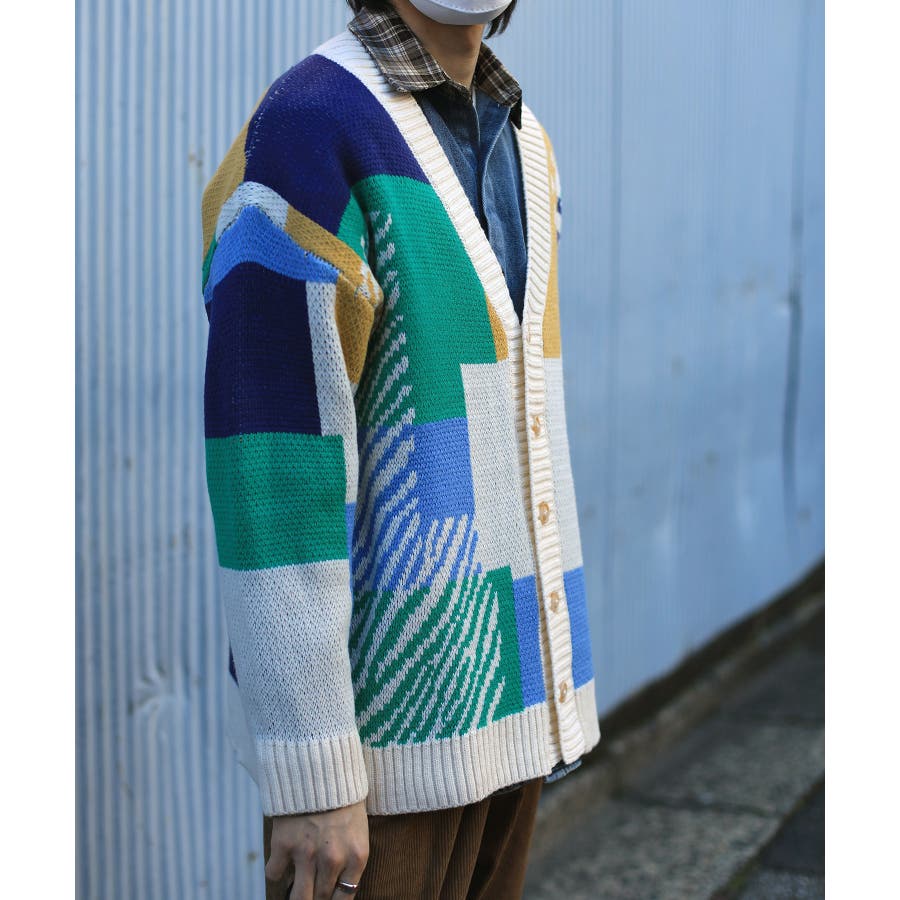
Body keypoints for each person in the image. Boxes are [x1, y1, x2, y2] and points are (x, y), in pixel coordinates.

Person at [199, 0, 601, 897]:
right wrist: (312, 770)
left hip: (511, 708)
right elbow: (274, 463)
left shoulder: (525, 140)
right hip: (383, 756)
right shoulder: (310, 128)